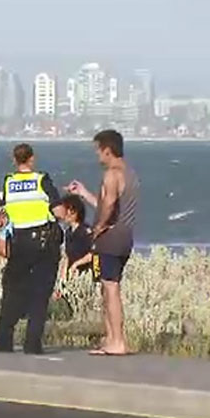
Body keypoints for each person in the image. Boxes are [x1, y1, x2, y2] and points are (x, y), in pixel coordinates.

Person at [0, 143, 64, 355]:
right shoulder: (41, 180)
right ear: (32, 159)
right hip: (43, 242)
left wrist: (2, 238)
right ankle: (32, 343)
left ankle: (3, 340)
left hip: (18, 242)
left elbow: (5, 215)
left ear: (15, 160)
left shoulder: (9, 182)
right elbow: (59, 212)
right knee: (40, 293)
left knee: (12, 291)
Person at [68, 129, 139, 356]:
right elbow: (107, 203)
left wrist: (97, 228)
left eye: (99, 151)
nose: (98, 156)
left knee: (110, 288)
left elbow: (107, 206)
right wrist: (84, 193)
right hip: (125, 236)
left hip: (110, 238)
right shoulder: (130, 173)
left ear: (107, 150)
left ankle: (117, 341)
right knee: (108, 286)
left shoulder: (112, 174)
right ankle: (111, 339)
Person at [58, 194, 93, 277]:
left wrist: (76, 264)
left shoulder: (85, 231)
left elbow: (92, 254)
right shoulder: (68, 232)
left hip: (85, 273)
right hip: (72, 273)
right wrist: (63, 272)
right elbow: (68, 254)